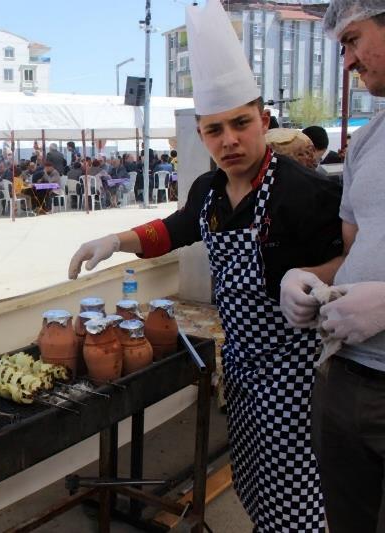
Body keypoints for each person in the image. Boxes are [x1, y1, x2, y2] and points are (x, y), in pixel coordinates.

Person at [70, 1, 343, 530]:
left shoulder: (305, 192)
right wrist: (116, 239)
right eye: (215, 130)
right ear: (201, 135)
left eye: (241, 124)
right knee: (253, 484)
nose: (230, 141)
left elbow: (354, 259)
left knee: (296, 496)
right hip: (239, 367)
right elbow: (177, 228)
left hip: (296, 374)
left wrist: (316, 278)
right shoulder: (210, 190)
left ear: (264, 121)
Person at [280, 3, 385, 531]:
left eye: (352, 40)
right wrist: (306, 280)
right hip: (345, 374)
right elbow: (353, 253)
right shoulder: (369, 140)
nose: (347, 61)